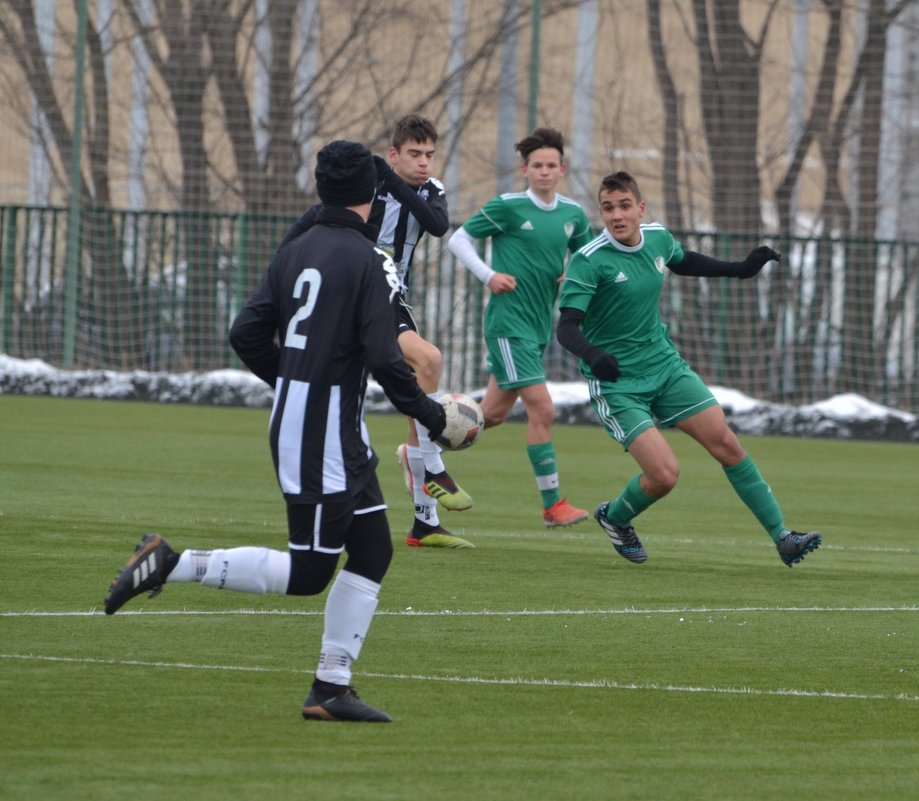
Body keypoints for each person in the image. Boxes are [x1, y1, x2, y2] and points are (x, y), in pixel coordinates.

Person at [102, 141, 448, 723]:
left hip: (325, 421)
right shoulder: (371, 258)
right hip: (321, 432)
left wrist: (293, 379)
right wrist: (433, 416)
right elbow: (388, 360)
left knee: (373, 549)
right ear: (374, 195)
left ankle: (331, 688)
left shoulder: (295, 249)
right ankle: (171, 561)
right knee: (310, 572)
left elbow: (245, 333)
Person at [555, 171, 822, 567]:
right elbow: (567, 327)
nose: (616, 215)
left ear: (640, 208)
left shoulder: (658, 237)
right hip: (618, 383)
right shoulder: (589, 259)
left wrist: (740, 269)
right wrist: (594, 356)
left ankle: (783, 537)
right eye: (608, 208)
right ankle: (615, 517)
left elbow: (683, 261)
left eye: (625, 205)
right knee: (664, 476)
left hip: (664, 366)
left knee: (727, 445)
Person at [280, 115, 472, 549]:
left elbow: (438, 225)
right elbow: (318, 217)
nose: (424, 163)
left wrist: (392, 178)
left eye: (429, 155)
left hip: (387, 296)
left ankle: (426, 516)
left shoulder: (430, 190)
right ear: (393, 154)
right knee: (351, 406)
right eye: (413, 155)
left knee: (428, 362)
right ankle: (422, 467)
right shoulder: (365, 188)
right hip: (348, 296)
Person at [447, 127, 593, 528]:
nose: (544, 172)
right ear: (525, 169)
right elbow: (458, 239)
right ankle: (552, 506)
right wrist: (488, 275)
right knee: (543, 409)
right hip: (507, 325)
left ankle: (425, 453)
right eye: (537, 166)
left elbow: (589, 258)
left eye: (551, 165)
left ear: (561, 169)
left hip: (536, 327)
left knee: (490, 415)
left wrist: (574, 274)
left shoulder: (572, 215)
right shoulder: (508, 207)